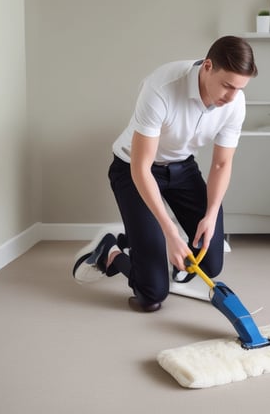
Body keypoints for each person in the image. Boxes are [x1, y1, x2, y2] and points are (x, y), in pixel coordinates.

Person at [73, 36, 258, 312]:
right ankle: (109, 252)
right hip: (134, 169)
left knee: (211, 262)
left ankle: (141, 242)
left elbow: (221, 165)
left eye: (239, 89)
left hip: (182, 168)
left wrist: (211, 214)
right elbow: (141, 167)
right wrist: (170, 233)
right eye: (227, 86)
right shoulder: (161, 87)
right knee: (151, 294)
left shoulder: (235, 102)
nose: (231, 97)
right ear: (208, 66)